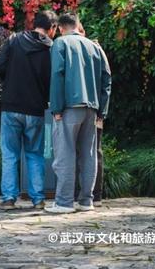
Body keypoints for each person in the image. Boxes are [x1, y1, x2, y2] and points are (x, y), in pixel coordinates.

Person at [46, 11, 111, 214]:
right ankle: (86, 201)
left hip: (69, 107)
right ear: (77, 24)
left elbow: (57, 75)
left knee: (65, 154)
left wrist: (56, 108)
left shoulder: (60, 43)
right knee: (89, 155)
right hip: (91, 108)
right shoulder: (94, 46)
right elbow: (106, 78)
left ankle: (64, 202)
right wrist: (102, 110)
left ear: (61, 28)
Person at [0, 9, 58, 210]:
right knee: (35, 154)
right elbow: (53, 80)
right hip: (36, 109)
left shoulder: (14, 40)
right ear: (52, 27)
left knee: (10, 154)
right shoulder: (51, 49)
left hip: (11, 105)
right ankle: (38, 199)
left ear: (34, 23)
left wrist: (11, 80)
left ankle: (9, 198)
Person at [76, 19, 106, 206]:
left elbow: (105, 81)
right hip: (90, 107)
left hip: (93, 109)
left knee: (93, 151)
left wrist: (102, 111)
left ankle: (95, 194)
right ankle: (84, 193)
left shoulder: (94, 49)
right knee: (90, 151)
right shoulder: (92, 50)